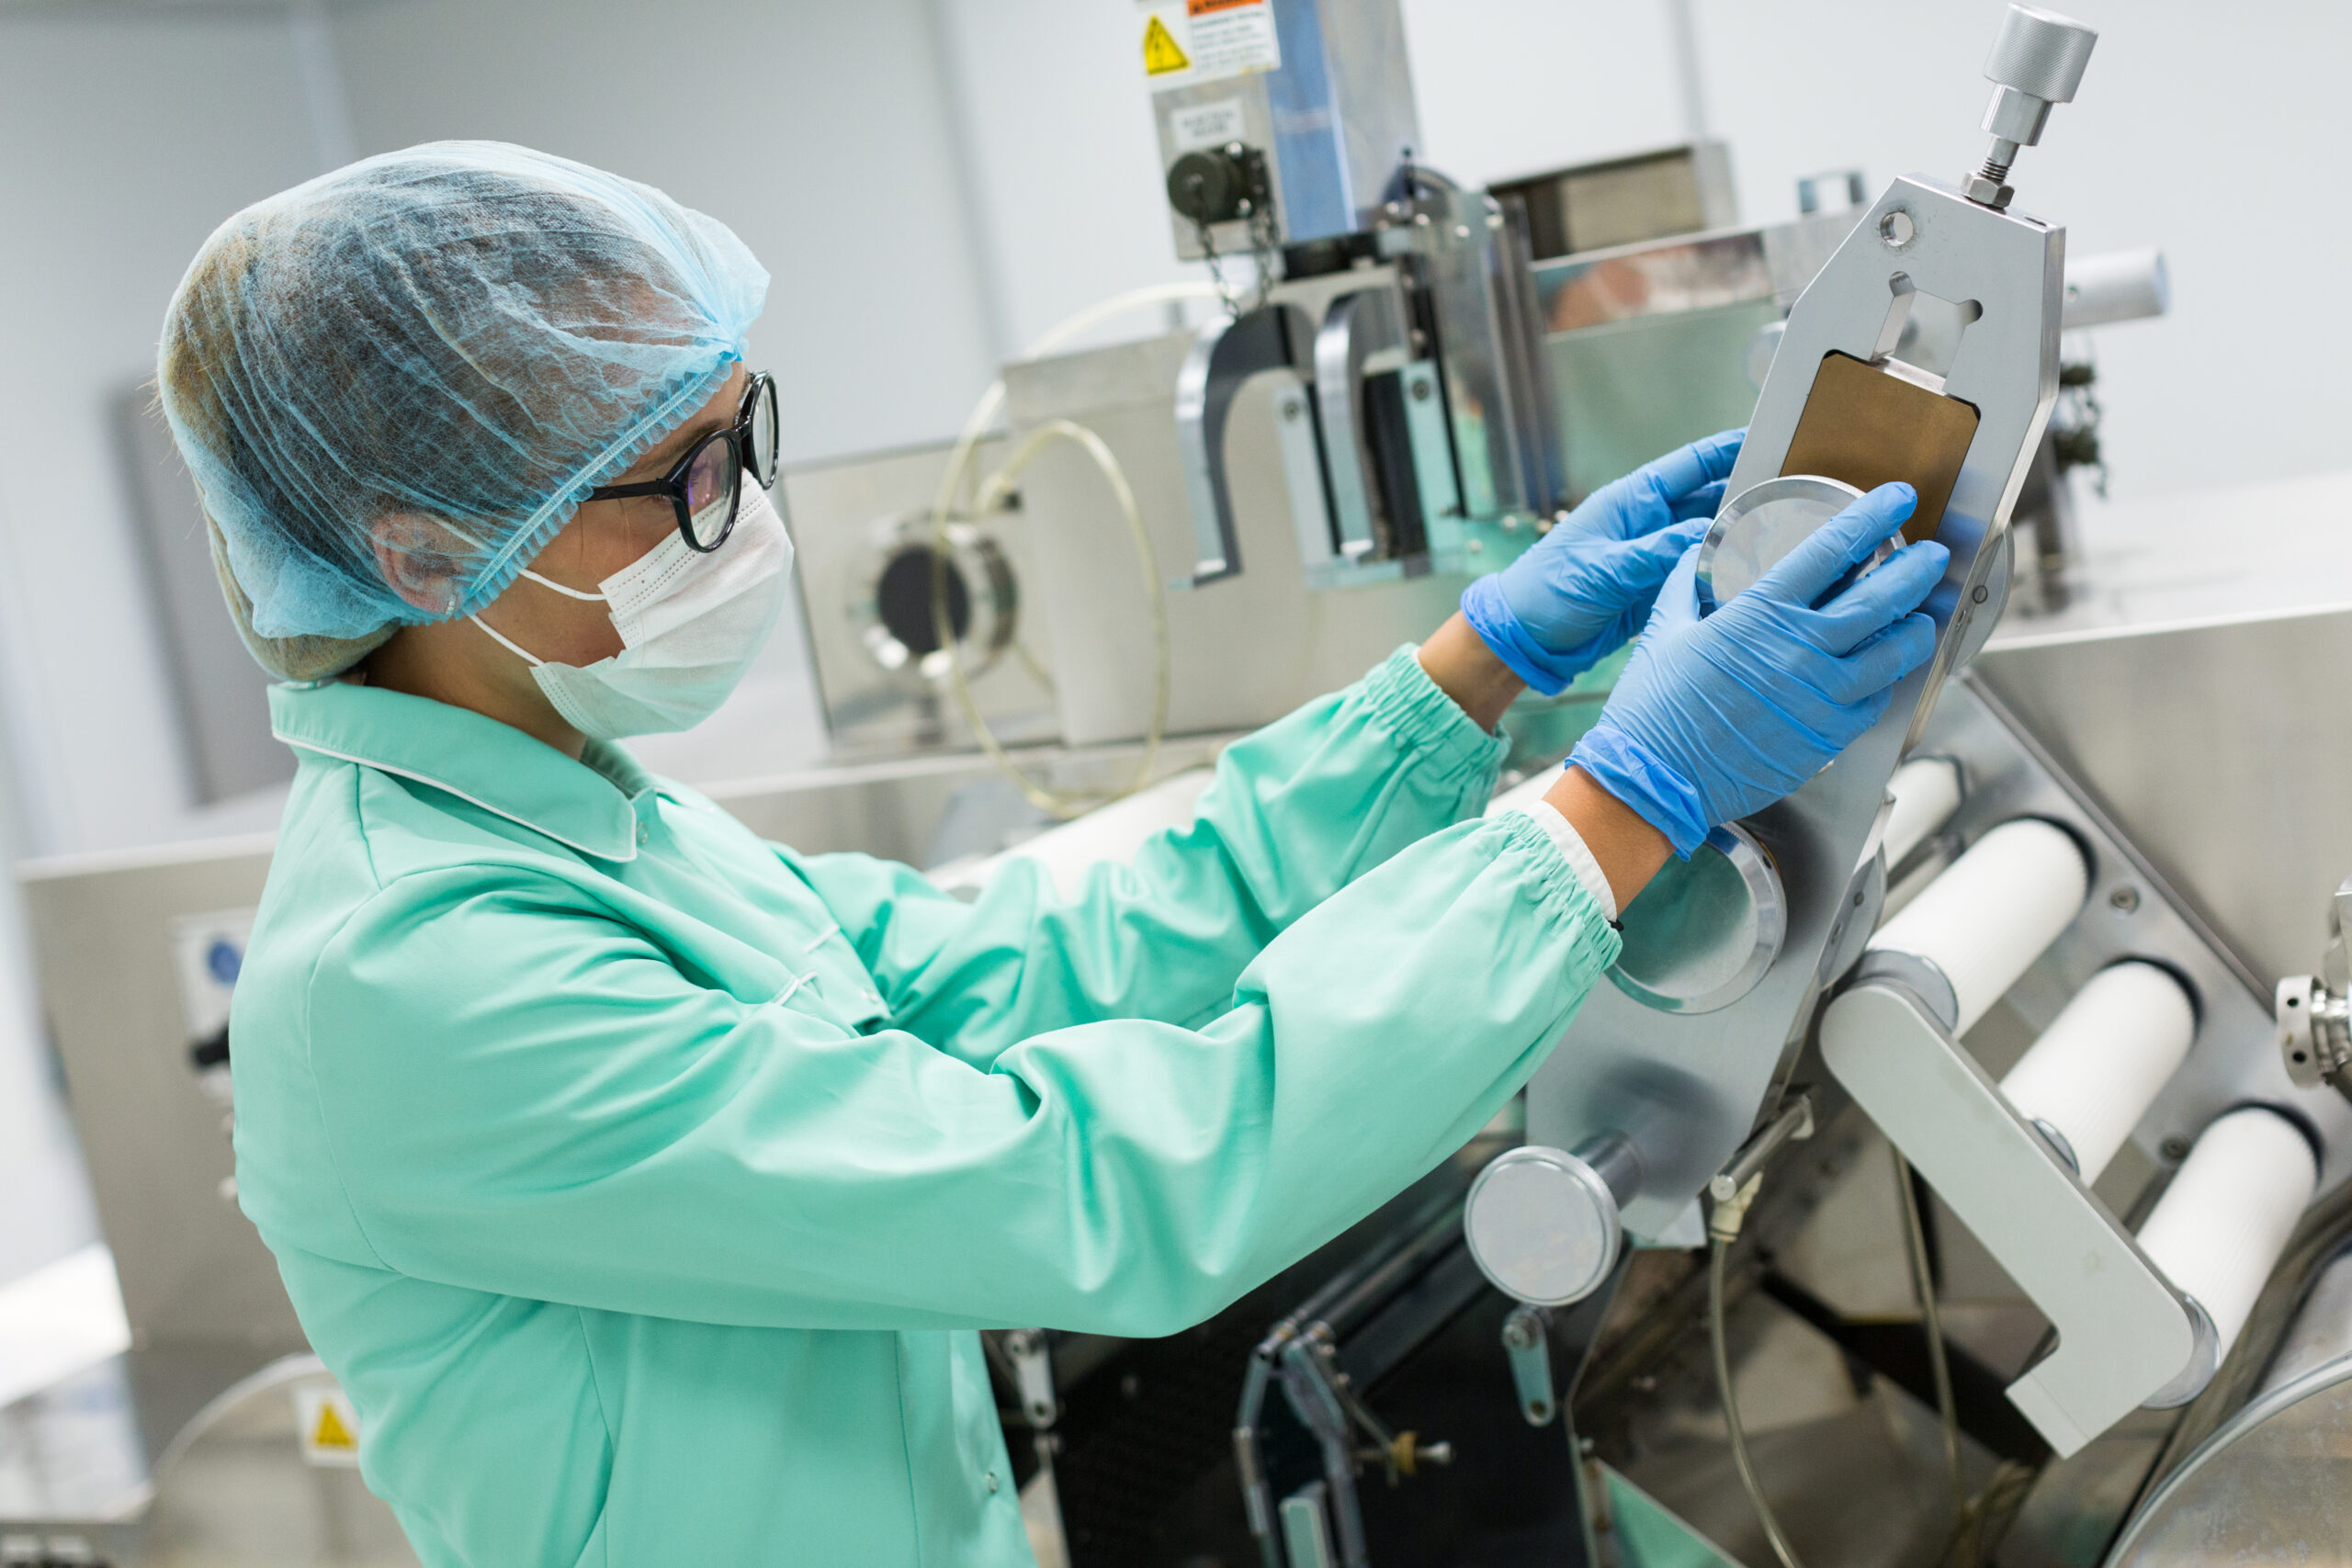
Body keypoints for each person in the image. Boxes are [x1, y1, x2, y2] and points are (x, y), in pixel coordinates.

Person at [157, 141, 1944, 1567]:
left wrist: (1467, 675)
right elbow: (1098, 1185)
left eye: (743, 433)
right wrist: (1614, 804)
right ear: (418, 553)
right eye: (679, 477)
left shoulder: (576, 807)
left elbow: (1016, 959)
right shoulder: (418, 973)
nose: (746, 513)